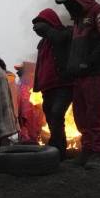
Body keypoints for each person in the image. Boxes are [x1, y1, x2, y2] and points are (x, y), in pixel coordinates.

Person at [58, 0, 100, 168]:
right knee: (81, 115)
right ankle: (87, 150)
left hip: (96, 74)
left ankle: (98, 154)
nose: (66, 8)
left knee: (96, 113)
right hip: (79, 76)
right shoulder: (78, 21)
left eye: (68, 3)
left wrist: (89, 62)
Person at [32, 8, 73, 158]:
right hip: (47, 87)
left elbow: (60, 39)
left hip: (64, 85)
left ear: (50, 22)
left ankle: (59, 149)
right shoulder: (42, 43)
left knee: (56, 114)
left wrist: (48, 30)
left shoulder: (65, 33)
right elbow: (40, 65)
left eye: (40, 22)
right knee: (50, 116)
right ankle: (56, 145)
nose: (37, 27)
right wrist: (37, 86)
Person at [14, 64, 45, 144]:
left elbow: (27, 109)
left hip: (30, 125)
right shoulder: (23, 86)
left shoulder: (28, 87)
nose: (18, 73)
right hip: (27, 124)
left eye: (20, 71)